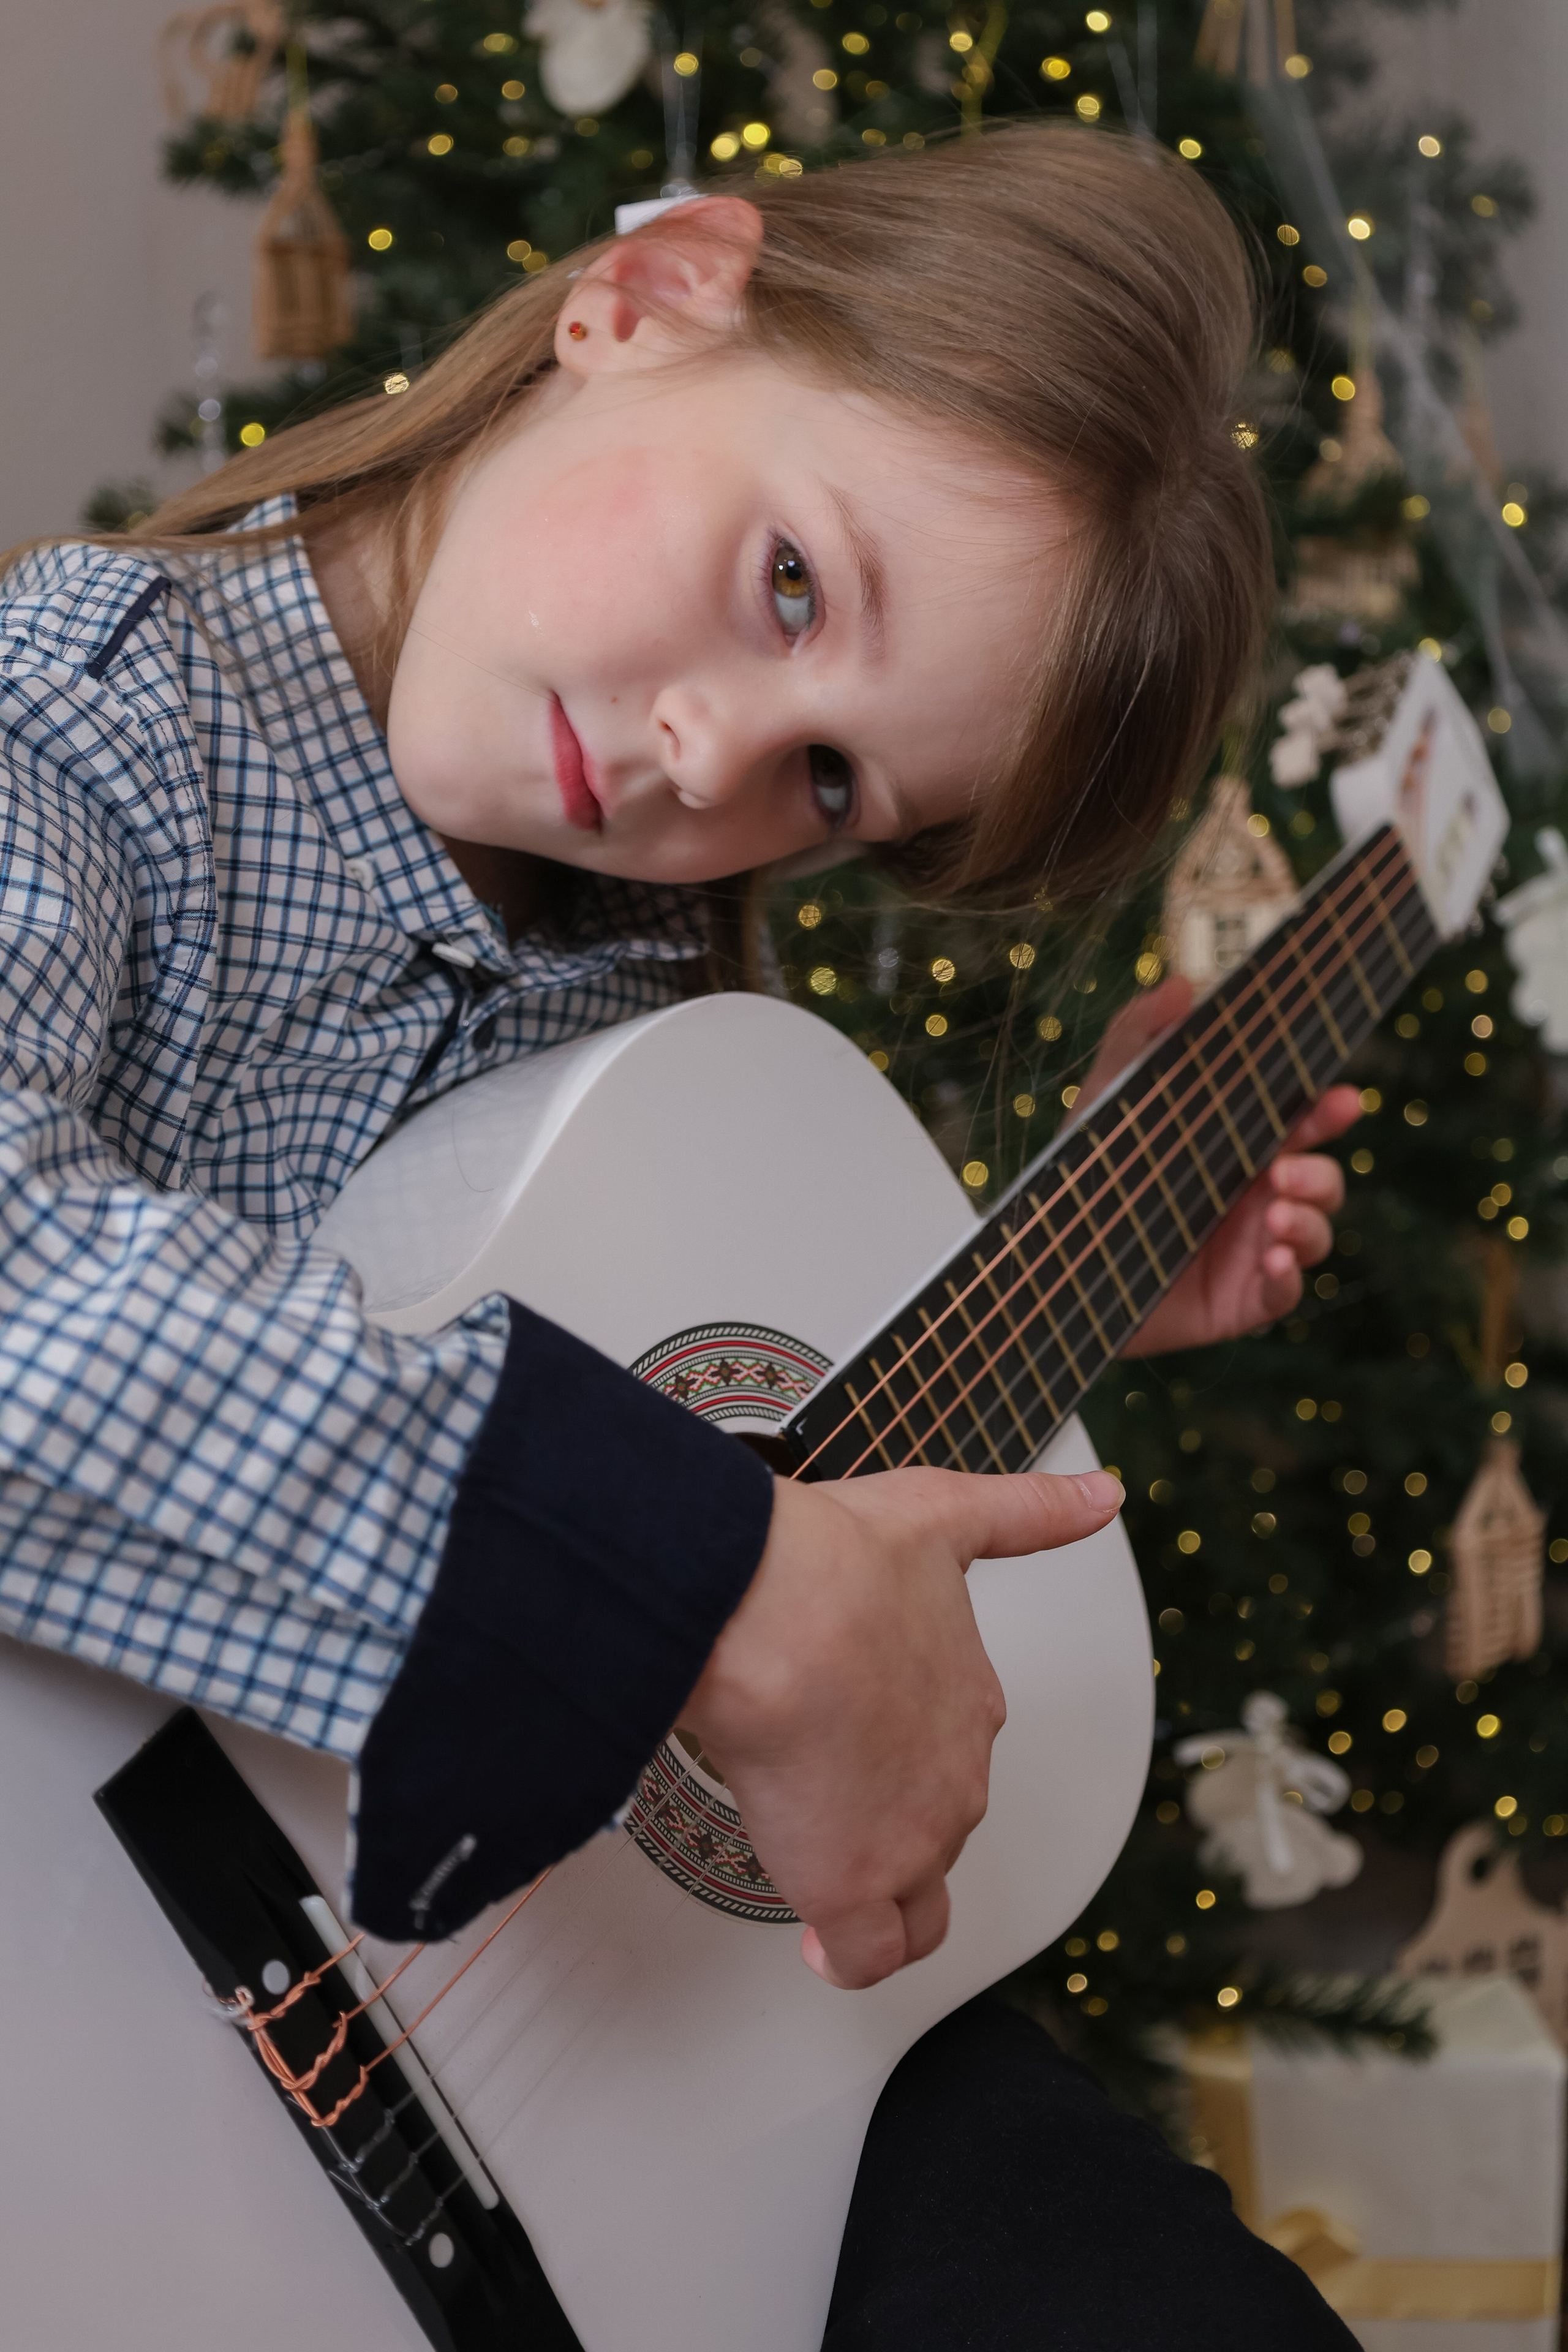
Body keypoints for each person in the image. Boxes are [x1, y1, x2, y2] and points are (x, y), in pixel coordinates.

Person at [0, 127, 1359, 2345]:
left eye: (833, 786)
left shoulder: (643, 976)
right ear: (653, 298)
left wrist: (1063, 1299)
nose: (701, 759)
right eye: (795, 581)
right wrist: (701, 1579)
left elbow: (717, 1424)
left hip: (547, 2058)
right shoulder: (78, 710)